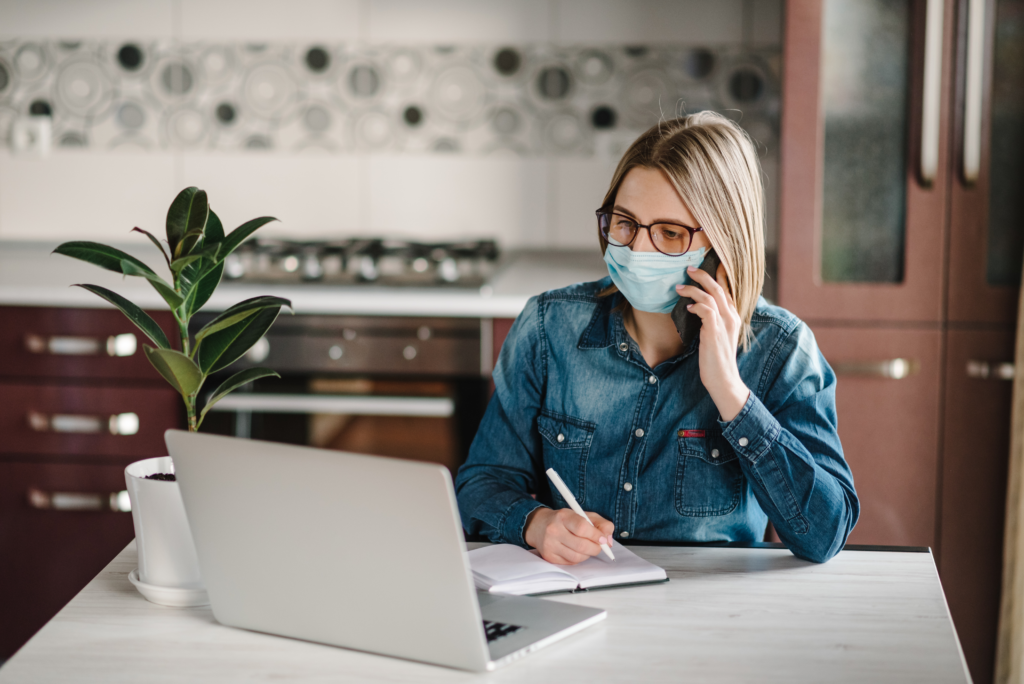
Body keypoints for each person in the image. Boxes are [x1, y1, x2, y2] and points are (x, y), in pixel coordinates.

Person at [455, 112, 858, 564]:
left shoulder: (781, 350)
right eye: (625, 223)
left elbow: (824, 535)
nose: (637, 250)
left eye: (669, 233)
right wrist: (534, 523)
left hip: (710, 616)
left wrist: (732, 395)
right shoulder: (549, 327)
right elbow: (482, 482)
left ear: (723, 247)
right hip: (581, 599)